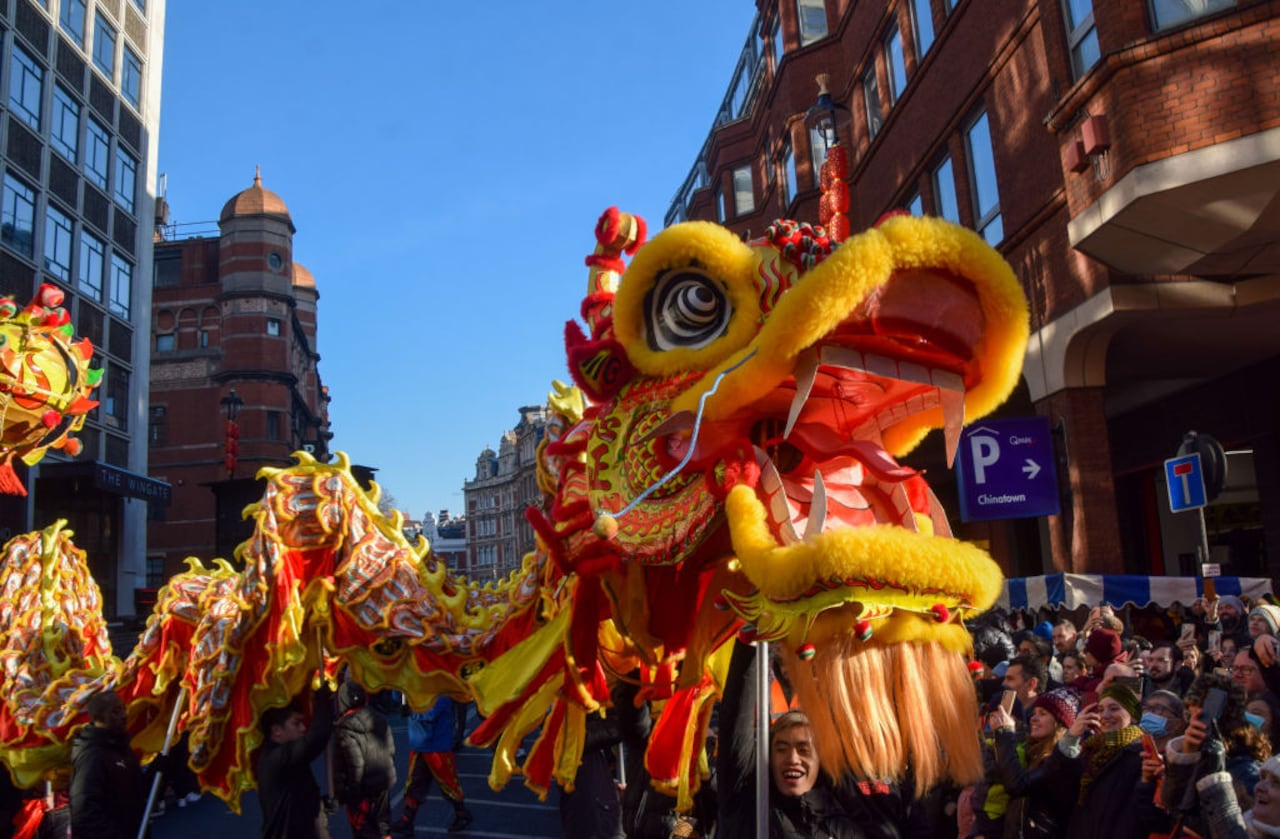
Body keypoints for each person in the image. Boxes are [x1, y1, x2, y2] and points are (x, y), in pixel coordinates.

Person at [716, 638, 932, 838]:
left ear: (821, 762)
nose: (792, 758)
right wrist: (749, 642)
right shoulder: (751, 804)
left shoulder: (843, 821)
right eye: (781, 748)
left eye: (803, 749)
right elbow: (734, 725)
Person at [1044, 682, 1147, 838]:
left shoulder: (1140, 755)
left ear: (1133, 716)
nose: (1105, 716)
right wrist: (1071, 737)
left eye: (1114, 709)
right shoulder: (1090, 750)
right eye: (1100, 710)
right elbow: (1059, 789)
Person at [987, 687, 1080, 838]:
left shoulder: (1061, 760)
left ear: (1060, 723)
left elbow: (1017, 785)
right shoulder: (1030, 751)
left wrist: (1005, 732)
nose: (1033, 718)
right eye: (1034, 712)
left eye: (1042, 714)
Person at [256, 683, 335, 839]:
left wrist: (321, 804)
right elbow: (317, 738)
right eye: (296, 723)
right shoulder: (275, 758)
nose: (303, 728)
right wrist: (323, 697)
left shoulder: (288, 756)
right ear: (276, 731)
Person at [69, 689, 148, 839]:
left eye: (123, 709)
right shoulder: (92, 756)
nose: (124, 716)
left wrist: (159, 769)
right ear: (99, 717)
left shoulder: (121, 747)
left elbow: (134, 792)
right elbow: (84, 812)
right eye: (115, 712)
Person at [392, 696, 472, 836]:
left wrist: (410, 709)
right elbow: (396, 695)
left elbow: (431, 714)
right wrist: (400, 687)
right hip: (419, 745)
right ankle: (407, 820)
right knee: (414, 784)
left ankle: (462, 814)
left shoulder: (440, 685)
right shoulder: (416, 683)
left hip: (437, 747)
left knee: (448, 784)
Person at [333, 680, 397, 839]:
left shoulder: (345, 726)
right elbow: (391, 750)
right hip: (383, 783)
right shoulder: (379, 717)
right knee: (384, 827)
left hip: (362, 790)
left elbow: (356, 764)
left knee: (363, 829)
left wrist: (347, 792)